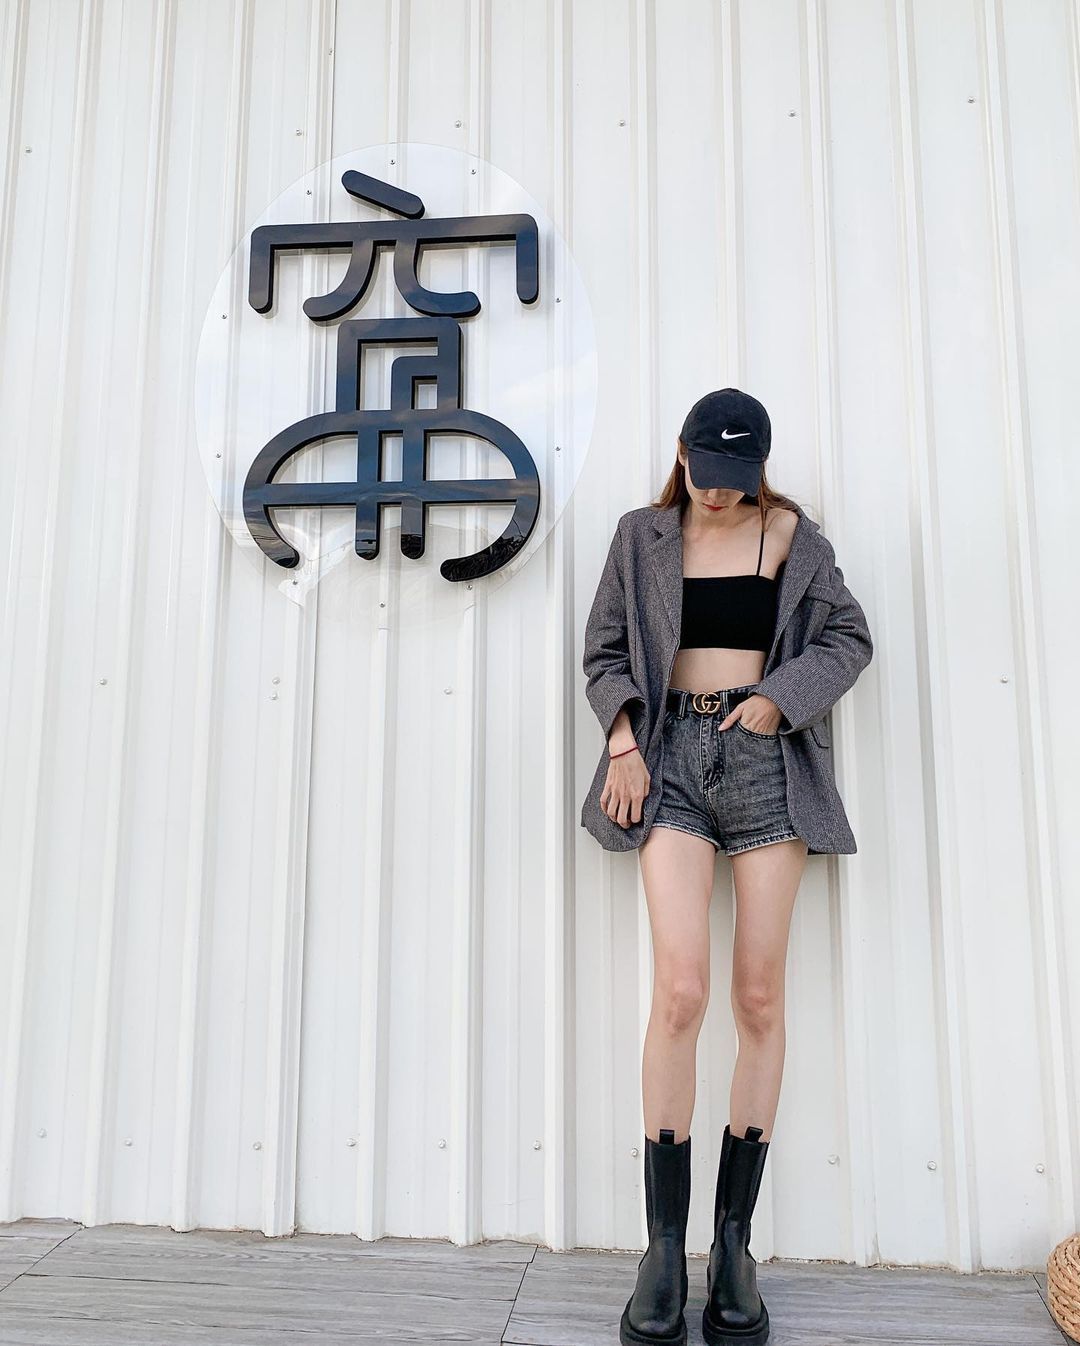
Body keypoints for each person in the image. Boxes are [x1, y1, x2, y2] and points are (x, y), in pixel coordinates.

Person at [579, 388, 874, 1346]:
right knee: (681, 993)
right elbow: (605, 651)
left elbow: (849, 638)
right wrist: (624, 741)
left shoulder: (792, 538)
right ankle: (663, 1249)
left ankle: (733, 1245)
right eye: (706, 474)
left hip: (763, 764)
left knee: (757, 997)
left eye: (735, 480)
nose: (718, 493)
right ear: (683, 455)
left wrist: (779, 698)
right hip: (666, 760)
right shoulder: (640, 538)